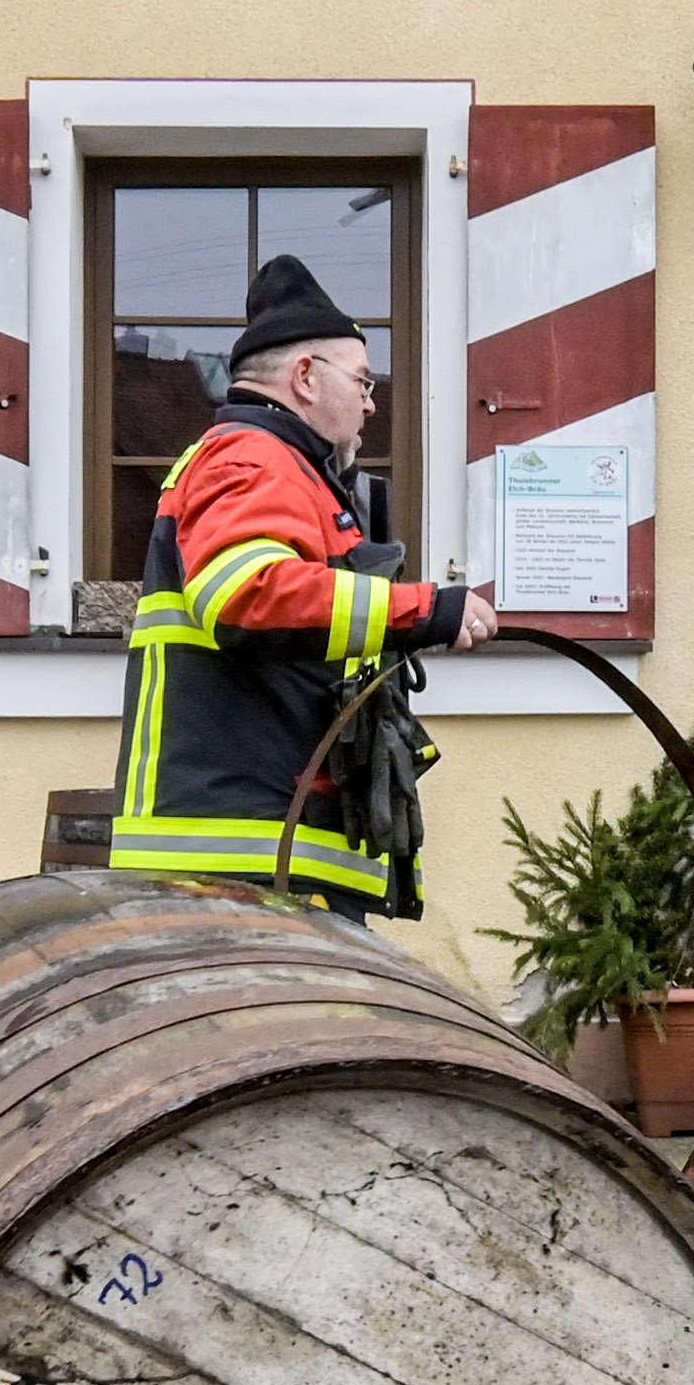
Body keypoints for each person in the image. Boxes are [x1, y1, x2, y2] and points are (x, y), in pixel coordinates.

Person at [105, 255, 500, 917]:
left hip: (258, 851)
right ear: (306, 377)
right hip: (245, 861)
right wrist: (423, 609)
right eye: (362, 380)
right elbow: (249, 594)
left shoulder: (277, 464)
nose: (373, 401)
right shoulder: (255, 457)